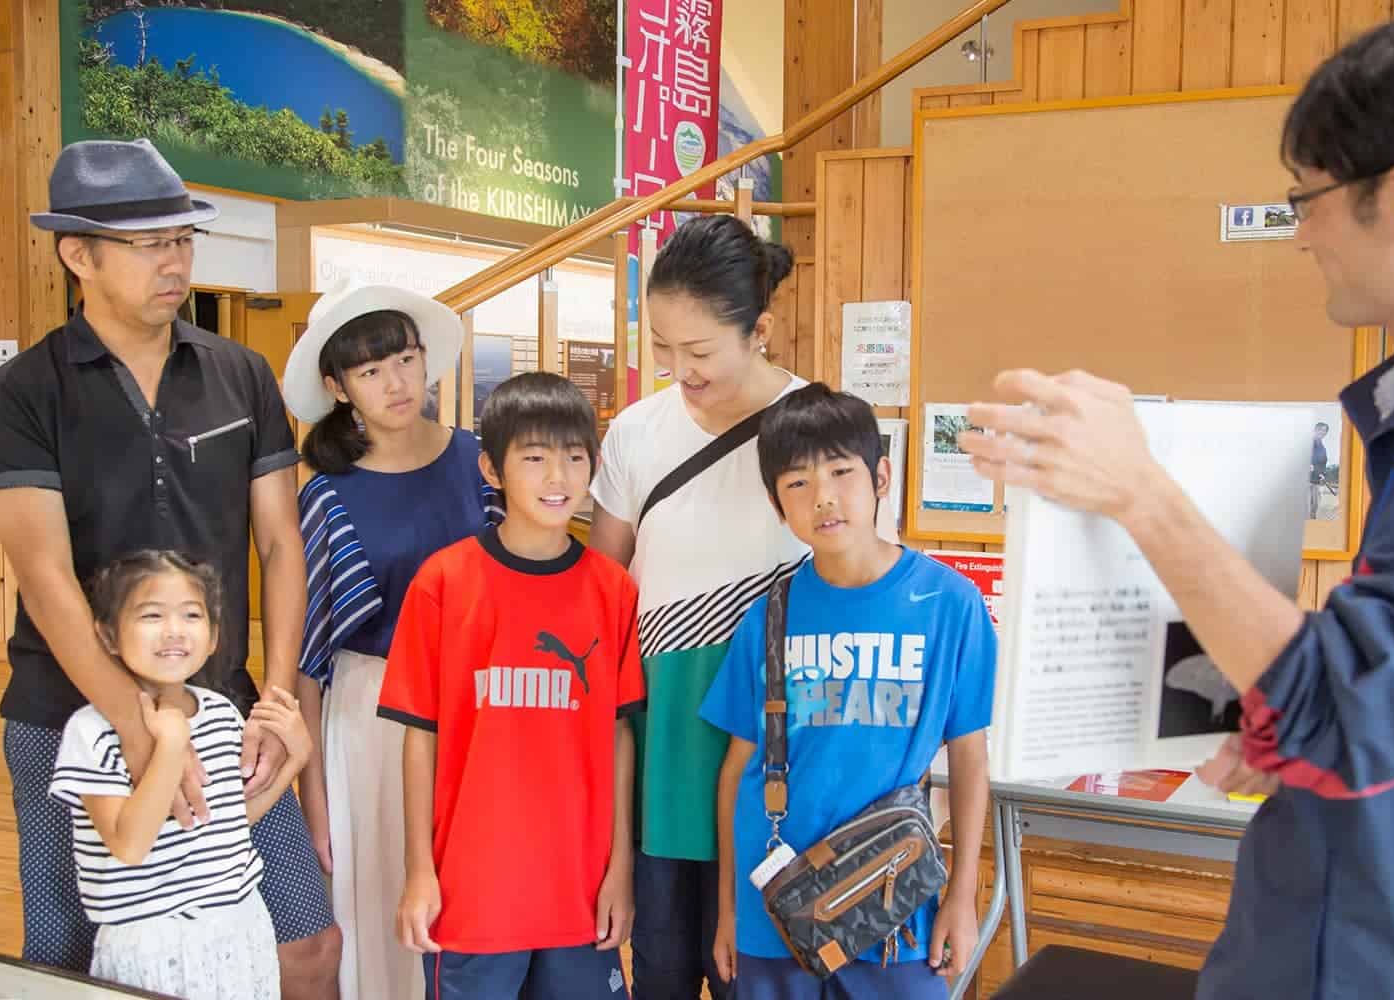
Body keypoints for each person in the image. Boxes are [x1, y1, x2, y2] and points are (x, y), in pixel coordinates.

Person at [958, 11, 1394, 998]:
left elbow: (1367, 707)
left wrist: (1140, 494)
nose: (1296, 234)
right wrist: (1278, 725)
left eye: (1306, 200)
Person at [0, 138, 340, 998]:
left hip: (223, 710)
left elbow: (282, 543)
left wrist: (278, 703)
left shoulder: (241, 375)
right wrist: (138, 733)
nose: (174, 261)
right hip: (65, 718)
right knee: (72, 962)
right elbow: (46, 578)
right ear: (78, 254)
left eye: (182, 239)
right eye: (148, 243)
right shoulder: (24, 393)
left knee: (308, 943)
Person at [700, 385, 994, 999]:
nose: (824, 497)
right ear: (778, 505)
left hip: (894, 903)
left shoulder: (950, 604)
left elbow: (968, 757)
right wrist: (728, 908)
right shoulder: (767, 616)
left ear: (880, 476)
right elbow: (735, 772)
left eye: (841, 471)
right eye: (797, 483)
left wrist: (962, 897)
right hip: (774, 908)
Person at [590, 214, 811, 1000]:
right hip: (665, 725)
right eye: (662, 349)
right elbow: (603, 584)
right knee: (664, 962)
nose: (679, 370)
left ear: (759, 330)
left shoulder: (818, 426)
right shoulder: (637, 434)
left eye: (699, 352)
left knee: (770, 967)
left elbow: (858, 580)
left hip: (784, 726)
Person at [380, 372, 644, 999]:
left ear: (594, 465)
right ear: (492, 471)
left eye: (574, 458)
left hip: (578, 894)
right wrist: (421, 871)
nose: (558, 477)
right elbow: (420, 738)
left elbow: (619, 736)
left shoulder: (612, 590)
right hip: (474, 893)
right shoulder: (443, 583)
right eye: (534, 458)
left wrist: (620, 871)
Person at [285, 283, 499, 1000]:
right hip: (371, 715)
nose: (395, 382)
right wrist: (314, 799)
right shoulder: (327, 494)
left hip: (483, 706)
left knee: (476, 902)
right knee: (382, 905)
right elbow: (309, 663)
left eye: (405, 359)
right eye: (371, 371)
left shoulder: (481, 462)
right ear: (337, 387)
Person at [49, 551, 310, 998]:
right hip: (150, 947)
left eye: (191, 615)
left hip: (238, 931)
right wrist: (169, 748)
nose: (173, 631)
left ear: (212, 637)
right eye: (151, 615)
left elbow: (226, 823)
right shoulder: (91, 730)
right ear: (108, 636)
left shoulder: (221, 713)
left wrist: (295, 761)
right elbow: (128, 845)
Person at [1308, 421, 1330, 517]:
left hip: (1315, 481)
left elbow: (1323, 464)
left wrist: (1322, 474)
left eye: (1325, 431)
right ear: (1315, 430)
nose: (1322, 432)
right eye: (1320, 430)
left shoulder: (1323, 448)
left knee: (1314, 507)